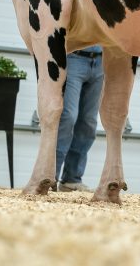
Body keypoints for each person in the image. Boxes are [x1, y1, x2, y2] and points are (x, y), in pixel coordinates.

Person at [55, 46, 104, 192]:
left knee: (89, 122)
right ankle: (50, 176)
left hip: (100, 61)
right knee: (68, 117)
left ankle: (71, 179)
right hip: (74, 57)